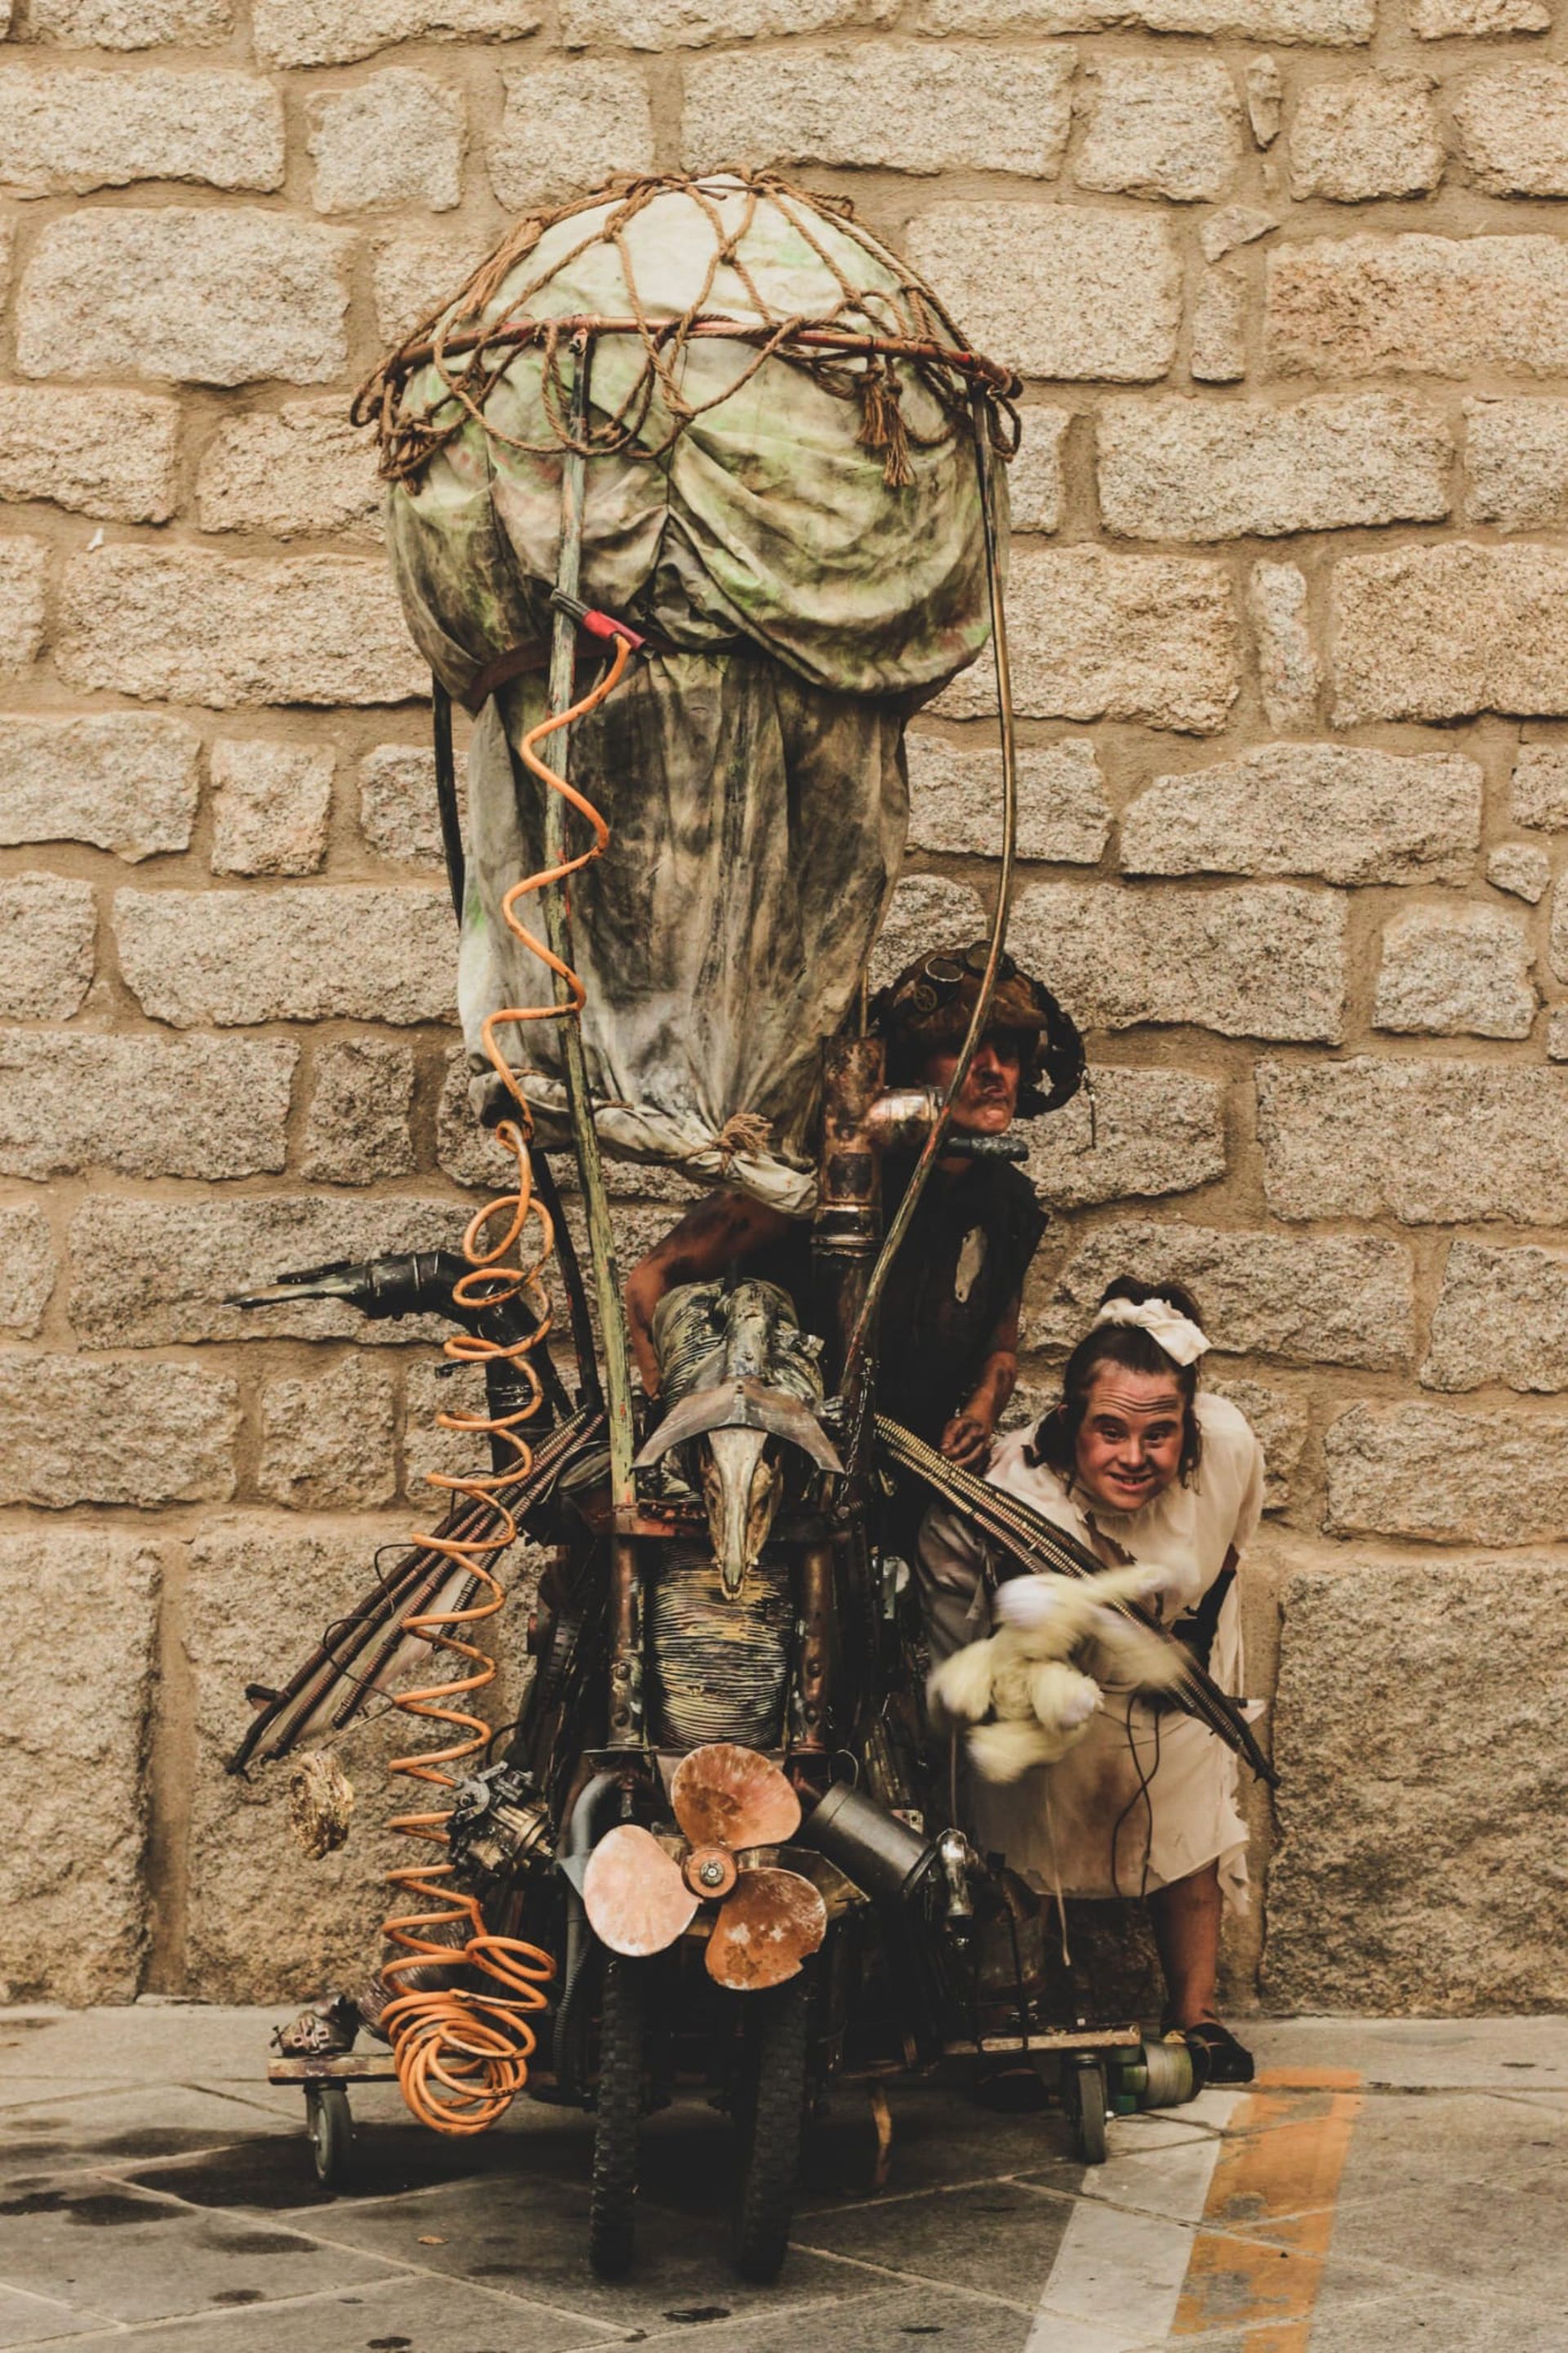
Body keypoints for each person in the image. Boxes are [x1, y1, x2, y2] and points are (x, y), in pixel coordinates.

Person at [917, 1277, 1265, 2084]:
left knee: (1193, 1840)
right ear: (1073, 1420)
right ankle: (1006, 2021)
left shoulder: (1230, 1448)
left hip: (1173, 1677)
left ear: (1188, 1429)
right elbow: (963, 1626)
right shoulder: (1013, 1491)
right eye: (1110, 1431)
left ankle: (1196, 2015)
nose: (1134, 1457)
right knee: (1012, 1853)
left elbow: (1235, 1546)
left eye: (1159, 1435)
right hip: (1052, 1698)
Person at [625, 942, 1082, 1464]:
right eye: (964, 1049)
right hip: (784, 1476)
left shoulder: (1007, 1204)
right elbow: (651, 1279)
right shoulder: (837, 1171)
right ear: (917, 1066)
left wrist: (978, 1414)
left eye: (1008, 1053)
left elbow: (1000, 1350)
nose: (993, 1070)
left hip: (908, 1476)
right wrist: (678, 1426)